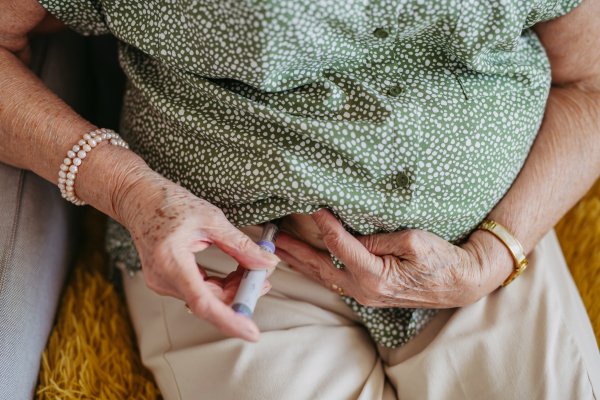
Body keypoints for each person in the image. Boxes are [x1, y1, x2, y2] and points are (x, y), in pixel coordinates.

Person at [1, 0, 599, 398]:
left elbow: (590, 82)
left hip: (475, 245)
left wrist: (495, 255)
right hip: (234, 261)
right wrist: (129, 190)